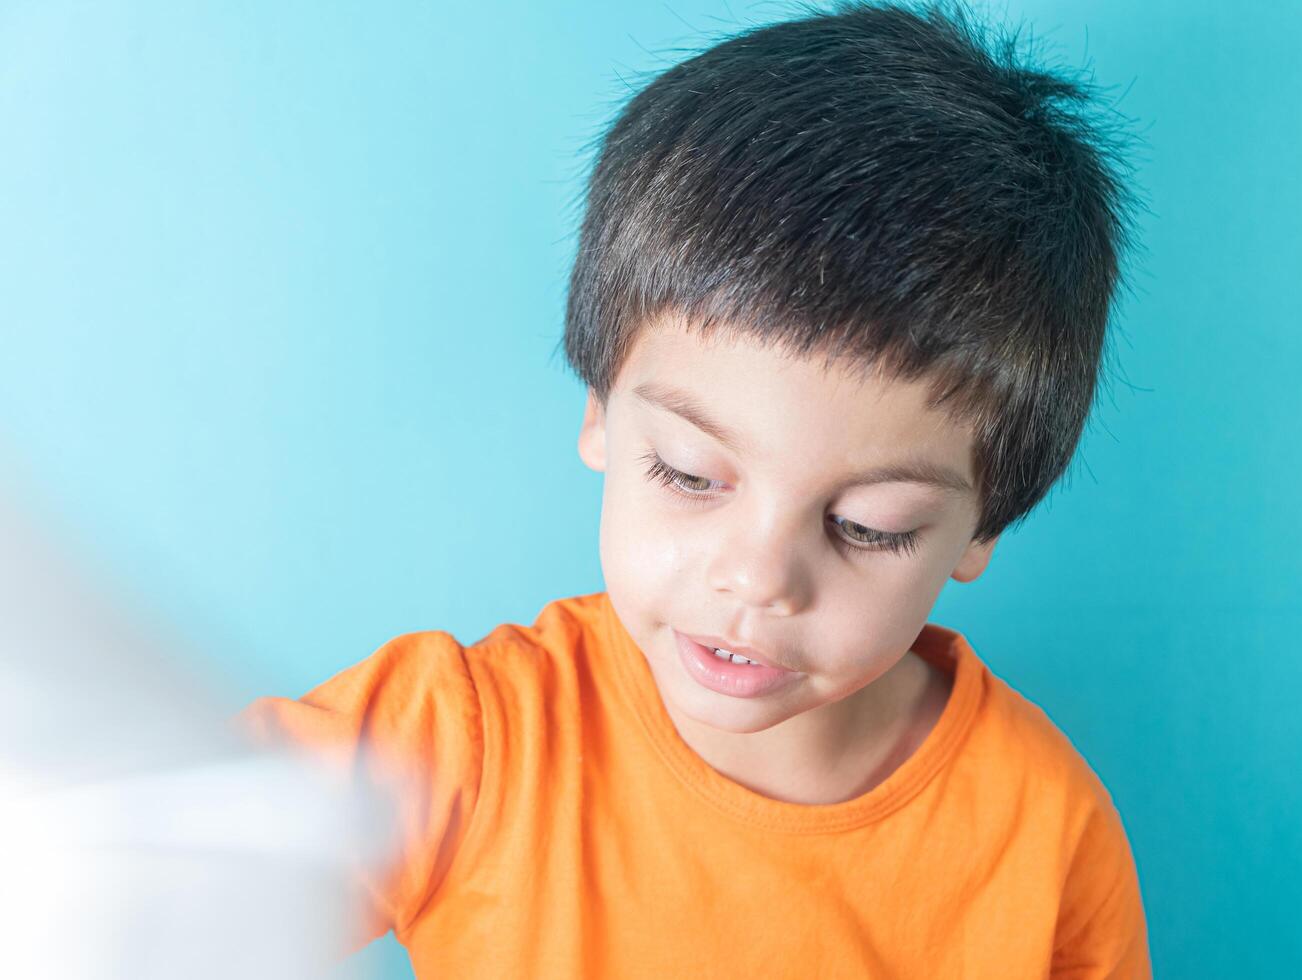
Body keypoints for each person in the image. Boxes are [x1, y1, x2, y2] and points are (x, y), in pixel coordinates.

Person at [238, 1, 1150, 975]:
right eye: (687, 472)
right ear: (601, 413)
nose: (758, 577)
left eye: (864, 526)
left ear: (983, 523)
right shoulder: (462, 740)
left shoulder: (1044, 825)